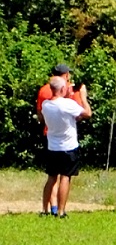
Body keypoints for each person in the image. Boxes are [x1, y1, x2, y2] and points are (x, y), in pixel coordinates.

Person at [40, 76, 89, 218]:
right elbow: (87, 113)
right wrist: (83, 97)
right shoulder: (68, 105)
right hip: (68, 147)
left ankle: (45, 209)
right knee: (65, 178)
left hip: (52, 147)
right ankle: (61, 211)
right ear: (62, 89)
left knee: (51, 178)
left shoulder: (46, 105)